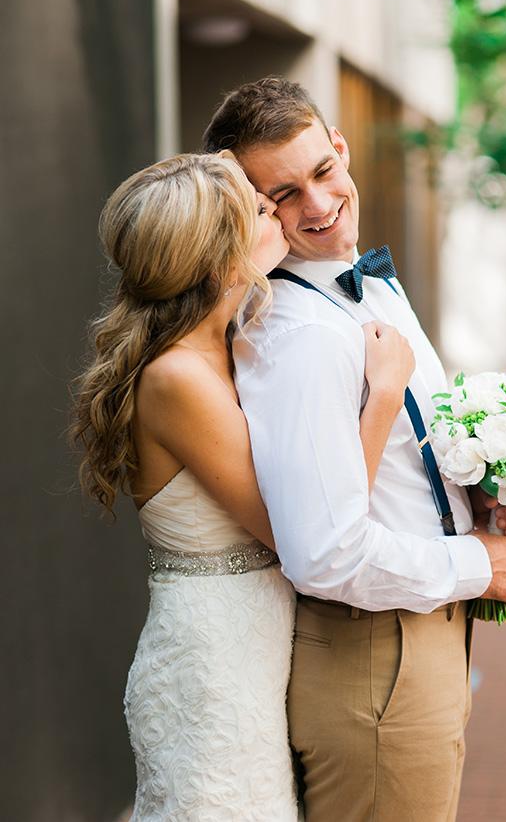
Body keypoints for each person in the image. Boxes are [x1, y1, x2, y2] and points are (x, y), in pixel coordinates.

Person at [202, 77, 506, 822]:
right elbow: (321, 553)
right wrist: (480, 561)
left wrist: (477, 491)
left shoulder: (368, 289)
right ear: (250, 211)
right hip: (375, 659)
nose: (318, 206)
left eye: (322, 172)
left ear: (342, 149)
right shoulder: (300, 337)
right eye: (282, 195)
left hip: (414, 641)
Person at [71, 151, 415, 820]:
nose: (278, 210)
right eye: (260, 208)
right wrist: (384, 397)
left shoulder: (231, 345)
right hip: (212, 669)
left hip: (256, 651)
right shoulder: (177, 378)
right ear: (219, 255)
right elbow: (299, 531)